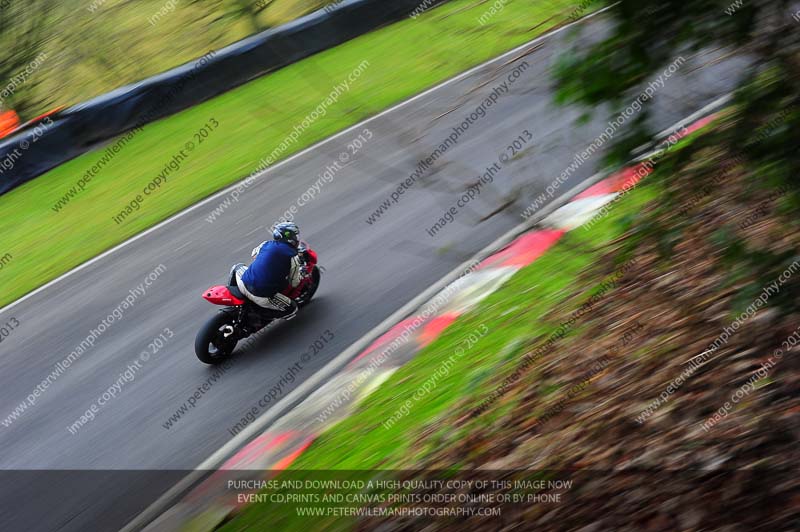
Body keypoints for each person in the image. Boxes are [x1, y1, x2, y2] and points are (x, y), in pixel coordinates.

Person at [235, 222, 305, 320]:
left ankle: (234, 293)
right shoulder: (293, 256)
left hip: (242, 282)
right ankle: (261, 317)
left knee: (237, 266)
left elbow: (254, 255)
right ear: (290, 238)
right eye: (295, 236)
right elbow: (294, 283)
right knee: (292, 309)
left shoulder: (266, 244)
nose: (297, 238)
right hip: (260, 296)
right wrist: (301, 273)